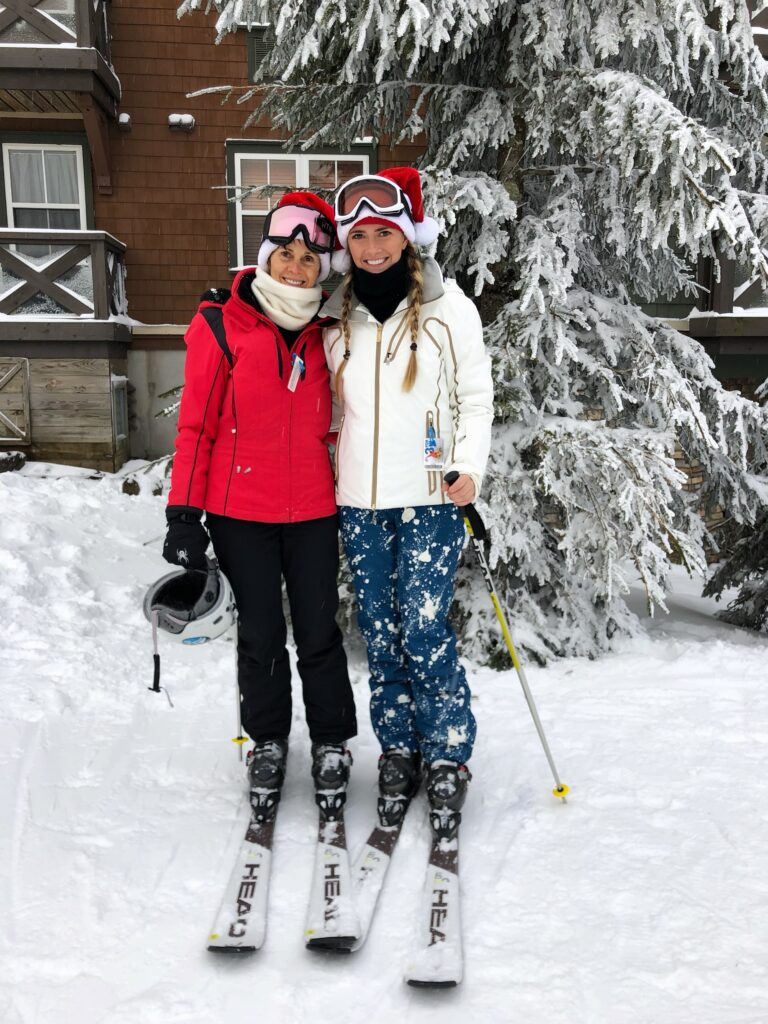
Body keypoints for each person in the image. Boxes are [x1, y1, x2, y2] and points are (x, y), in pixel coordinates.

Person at [162, 192, 357, 817]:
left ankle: (331, 742)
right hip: (240, 512)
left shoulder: (331, 332)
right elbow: (196, 427)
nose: (296, 268)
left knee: (320, 631)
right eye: (286, 254)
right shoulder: (223, 324)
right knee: (262, 634)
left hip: (314, 514)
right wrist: (184, 514)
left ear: (321, 268)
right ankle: (268, 741)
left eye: (309, 259)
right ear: (267, 256)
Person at [322, 167, 493, 832]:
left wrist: (467, 468)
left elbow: (474, 399)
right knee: (383, 633)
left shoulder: (451, 311)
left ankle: (447, 754)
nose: (371, 247)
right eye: (359, 234)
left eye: (384, 232)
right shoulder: (337, 319)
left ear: (408, 237)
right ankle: (398, 747)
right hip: (359, 505)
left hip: (428, 499)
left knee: (423, 628)